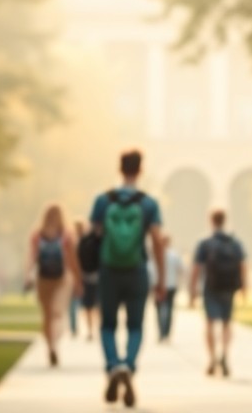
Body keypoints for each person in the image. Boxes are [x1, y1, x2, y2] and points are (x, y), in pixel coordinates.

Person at [90, 149, 165, 408]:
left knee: (107, 325)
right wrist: (161, 278)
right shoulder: (148, 203)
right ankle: (128, 366)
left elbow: (93, 236)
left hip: (109, 270)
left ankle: (113, 365)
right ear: (140, 170)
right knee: (135, 326)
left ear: (120, 168)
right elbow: (157, 241)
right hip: (137, 270)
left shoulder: (103, 201)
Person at [189, 209, 246, 378]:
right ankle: (225, 355)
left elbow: (196, 268)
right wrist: (244, 287)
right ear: (224, 220)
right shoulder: (234, 242)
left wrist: (193, 290)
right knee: (227, 323)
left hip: (211, 288)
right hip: (229, 288)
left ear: (211, 221)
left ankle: (212, 358)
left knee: (210, 323)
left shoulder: (205, 243)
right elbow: (243, 265)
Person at [28, 204, 82, 368]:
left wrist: (28, 275)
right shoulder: (66, 235)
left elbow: (31, 257)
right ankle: (55, 344)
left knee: (47, 315)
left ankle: (50, 346)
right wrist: (78, 280)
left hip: (43, 279)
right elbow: (73, 260)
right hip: (62, 278)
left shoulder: (37, 235)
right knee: (58, 314)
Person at [148, 234, 183, 342]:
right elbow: (181, 269)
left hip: (158, 285)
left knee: (159, 310)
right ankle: (166, 333)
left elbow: (150, 271)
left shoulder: (154, 254)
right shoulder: (174, 255)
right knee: (169, 309)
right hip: (171, 285)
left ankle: (161, 333)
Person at [71, 220, 98, 342]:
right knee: (93, 306)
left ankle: (91, 330)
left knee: (89, 307)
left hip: (86, 277)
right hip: (94, 277)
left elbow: (76, 262)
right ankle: (93, 329)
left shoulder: (80, 242)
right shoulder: (95, 240)